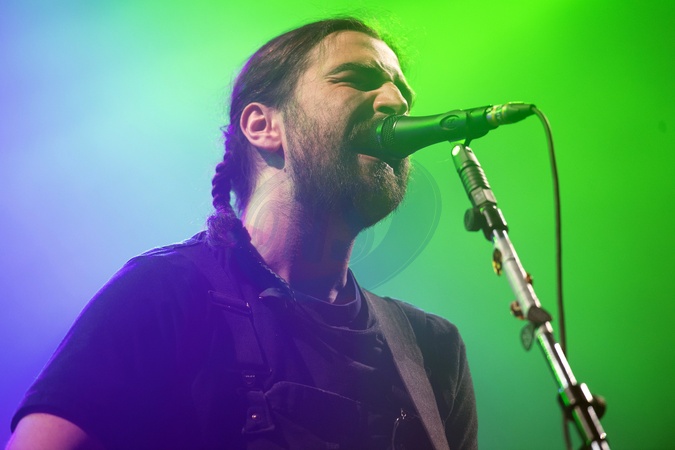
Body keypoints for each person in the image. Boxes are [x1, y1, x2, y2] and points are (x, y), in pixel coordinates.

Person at [6, 17, 478, 450]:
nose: (395, 102)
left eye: (403, 94)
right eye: (356, 78)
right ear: (263, 125)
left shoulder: (433, 349)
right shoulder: (165, 291)